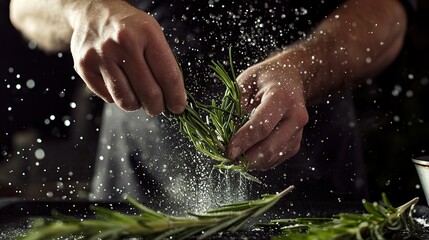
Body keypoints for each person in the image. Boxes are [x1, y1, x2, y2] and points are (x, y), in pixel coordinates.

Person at [9, 0, 409, 213]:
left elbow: (388, 13)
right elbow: (25, 6)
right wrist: (83, 9)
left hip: (316, 177)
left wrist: (301, 69)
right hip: (138, 179)